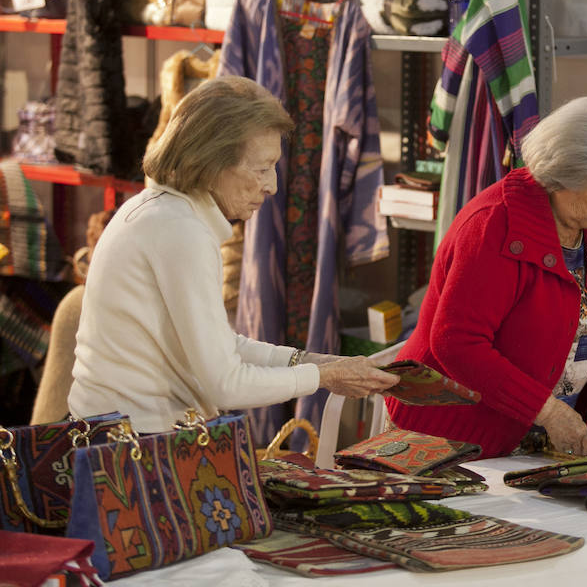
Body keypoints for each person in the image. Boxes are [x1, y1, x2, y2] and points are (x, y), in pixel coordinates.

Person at [68, 76, 399, 433]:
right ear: (210, 163)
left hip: (114, 437)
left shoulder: (161, 212)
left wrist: (313, 363)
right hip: (131, 453)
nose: (271, 185)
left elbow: (224, 347)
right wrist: (321, 376)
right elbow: (225, 383)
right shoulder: (180, 230)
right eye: (261, 169)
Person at [386, 96, 587, 459]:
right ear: (564, 175)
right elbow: (456, 343)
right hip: (451, 437)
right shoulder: (493, 226)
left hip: (535, 439)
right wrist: (548, 411)